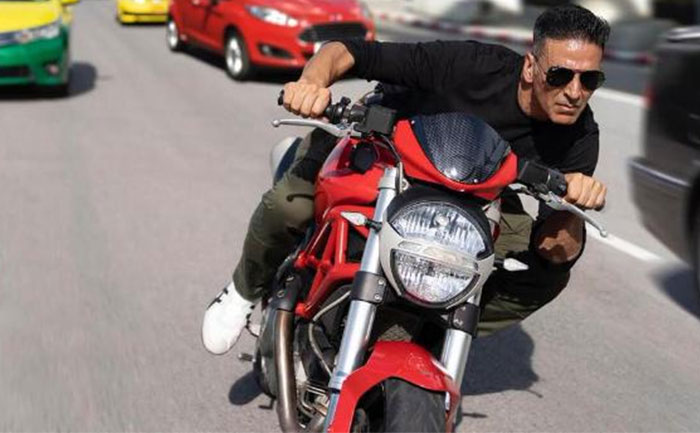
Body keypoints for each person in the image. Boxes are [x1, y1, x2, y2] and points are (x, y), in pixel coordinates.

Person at [202, 4, 610, 355]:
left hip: (465, 199)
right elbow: (349, 51)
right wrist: (312, 84)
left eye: (589, 79)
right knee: (290, 204)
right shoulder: (470, 66)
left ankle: (431, 326)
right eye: (560, 75)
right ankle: (241, 292)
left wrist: (574, 206)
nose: (575, 92)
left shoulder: (580, 135)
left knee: (547, 273)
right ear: (530, 67)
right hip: (380, 147)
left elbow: (556, 239)